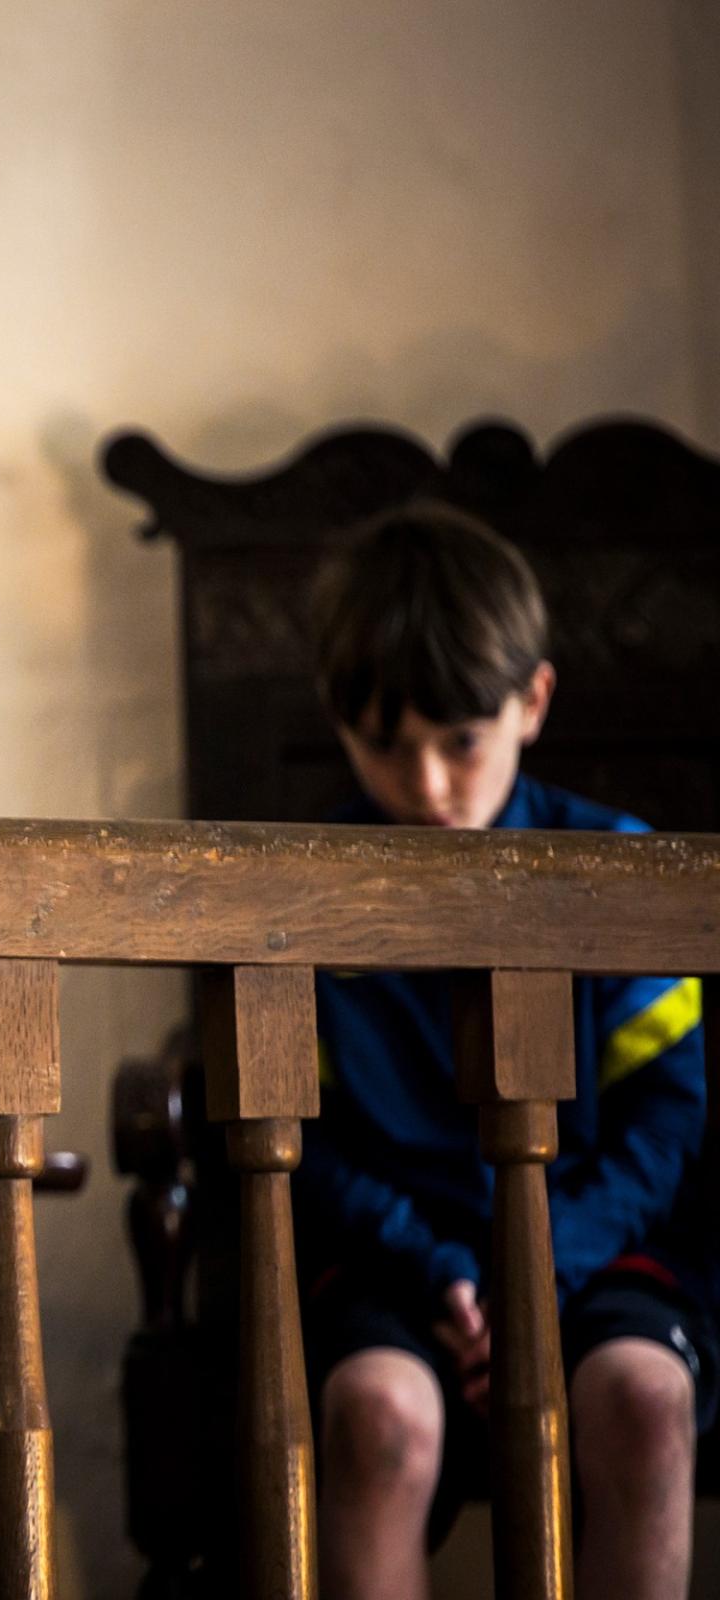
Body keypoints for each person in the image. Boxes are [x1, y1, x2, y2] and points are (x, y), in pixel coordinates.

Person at [296, 502, 709, 1599]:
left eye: (460, 740)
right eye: (389, 744)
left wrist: (544, 1264)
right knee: (378, 1414)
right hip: (402, 1262)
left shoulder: (622, 876)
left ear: (531, 702)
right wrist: (447, 1269)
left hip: (592, 1244)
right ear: (341, 724)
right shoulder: (298, 898)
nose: (429, 787)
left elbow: (667, 1121)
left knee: (647, 1400)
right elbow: (309, 1148)